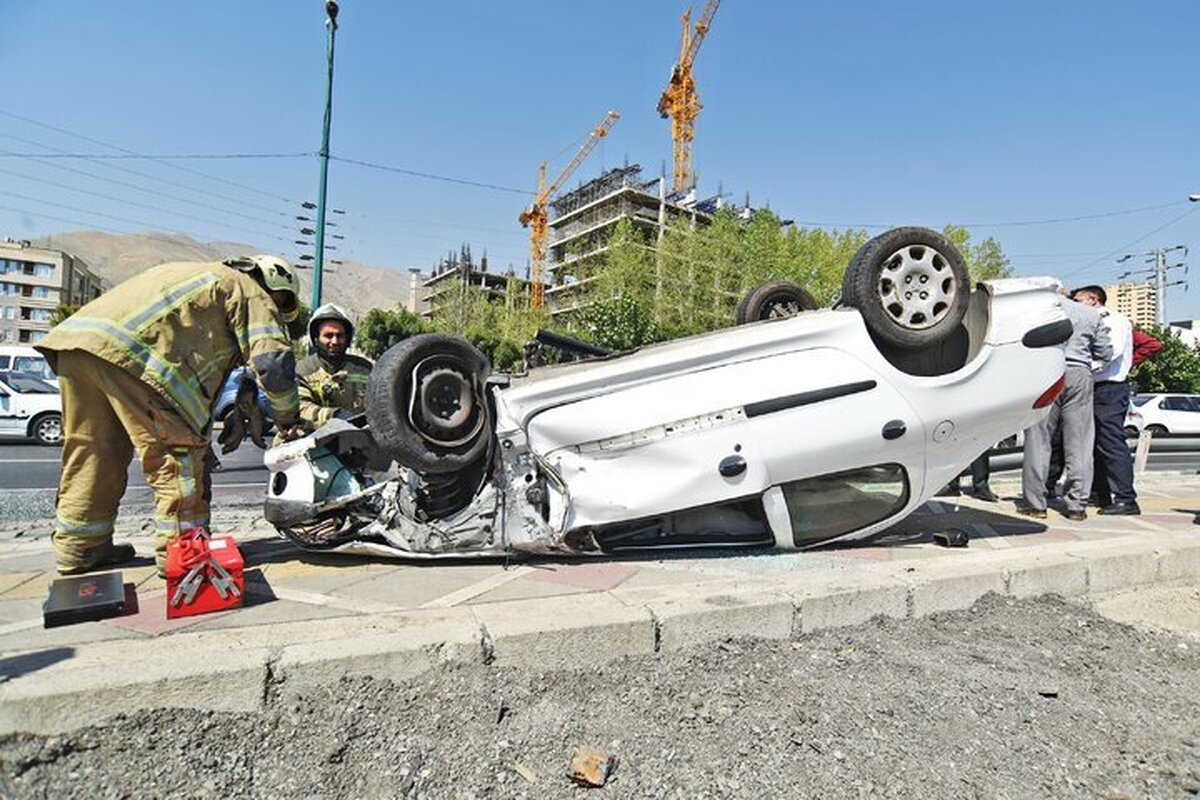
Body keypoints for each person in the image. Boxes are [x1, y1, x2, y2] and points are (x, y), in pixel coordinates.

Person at [35, 255, 305, 576]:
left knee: (94, 452)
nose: (274, 309)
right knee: (177, 463)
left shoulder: (193, 276)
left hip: (79, 347)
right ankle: (182, 558)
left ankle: (81, 548)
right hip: (137, 361)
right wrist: (288, 419)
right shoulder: (248, 290)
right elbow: (272, 361)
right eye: (278, 302)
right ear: (272, 283)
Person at [1018, 284, 1111, 520]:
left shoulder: (1037, 310)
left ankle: (1036, 504)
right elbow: (1105, 352)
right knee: (1079, 441)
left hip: (1045, 373)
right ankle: (1077, 505)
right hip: (1079, 373)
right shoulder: (1090, 314)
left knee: (1038, 438)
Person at [1072, 284, 1141, 515]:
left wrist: (1083, 368)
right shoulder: (1088, 321)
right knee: (1094, 444)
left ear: (1093, 300)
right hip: (1093, 387)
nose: (1074, 305)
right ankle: (1101, 493)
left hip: (1109, 388)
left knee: (1111, 443)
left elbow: (1111, 352)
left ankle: (1125, 497)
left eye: (1078, 300)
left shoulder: (1114, 320)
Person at [296, 303, 372, 428]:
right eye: (328, 336)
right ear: (315, 338)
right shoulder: (303, 370)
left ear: (347, 339)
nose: (335, 342)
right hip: (314, 439)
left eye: (340, 336)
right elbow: (301, 408)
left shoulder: (365, 368)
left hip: (358, 438)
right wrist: (336, 416)